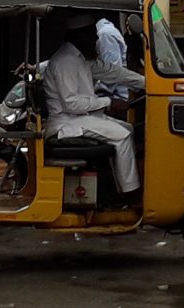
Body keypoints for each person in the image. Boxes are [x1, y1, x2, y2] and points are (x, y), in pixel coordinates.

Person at [42, 17, 145, 196]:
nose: (97, 41)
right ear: (79, 36)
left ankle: (113, 184)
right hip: (67, 123)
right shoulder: (67, 61)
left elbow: (112, 72)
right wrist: (109, 103)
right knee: (123, 136)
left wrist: (148, 83)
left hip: (80, 118)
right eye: (93, 36)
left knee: (128, 127)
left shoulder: (80, 58)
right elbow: (71, 103)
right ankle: (130, 192)